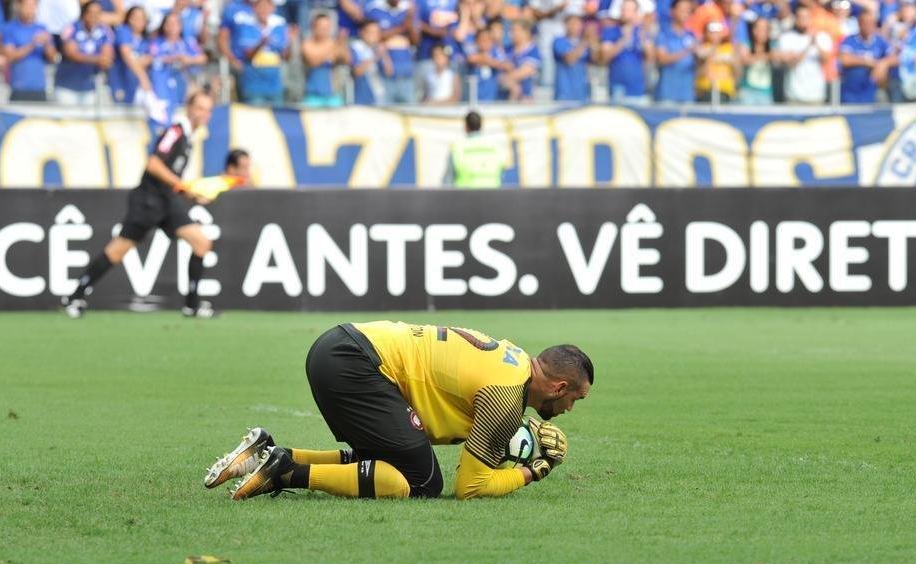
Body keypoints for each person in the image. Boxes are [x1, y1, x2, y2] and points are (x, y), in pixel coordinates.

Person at [205, 322, 591, 501]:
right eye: (575, 398)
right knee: (423, 483)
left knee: (390, 457)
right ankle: (287, 473)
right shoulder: (507, 396)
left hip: (344, 346)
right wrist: (528, 472)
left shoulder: (513, 360)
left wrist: (507, 442)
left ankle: (268, 453)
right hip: (356, 362)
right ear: (559, 387)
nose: (569, 408)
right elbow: (470, 488)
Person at [61, 91, 219, 320]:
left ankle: (192, 306)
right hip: (148, 200)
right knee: (117, 251)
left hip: (167, 200)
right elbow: (154, 164)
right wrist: (185, 187)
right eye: (200, 108)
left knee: (202, 243)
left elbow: (172, 178)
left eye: (208, 109)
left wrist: (194, 196)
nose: (204, 114)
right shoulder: (175, 131)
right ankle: (74, 296)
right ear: (189, 108)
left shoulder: (188, 137)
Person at [221, 0, 290, 104]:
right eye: (261, 7)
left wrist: (291, 42)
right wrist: (261, 44)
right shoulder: (245, 23)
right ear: (254, 8)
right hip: (253, 80)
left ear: (273, 8)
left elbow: (285, 56)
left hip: (274, 80)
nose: (264, 10)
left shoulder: (279, 24)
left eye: (267, 7)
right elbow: (247, 53)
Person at [53, 0, 114, 105]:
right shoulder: (71, 28)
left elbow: (107, 57)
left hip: (90, 86)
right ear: (84, 14)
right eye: (91, 13)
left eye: (97, 13)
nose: (94, 16)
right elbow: (71, 54)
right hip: (67, 85)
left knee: (88, 121)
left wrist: (99, 59)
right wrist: (97, 59)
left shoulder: (105, 31)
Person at [147, 10, 205, 110]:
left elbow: (202, 58)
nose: (172, 26)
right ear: (164, 26)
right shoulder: (157, 42)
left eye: (175, 23)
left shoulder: (187, 42)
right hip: (163, 83)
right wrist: (172, 59)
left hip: (184, 80)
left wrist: (189, 60)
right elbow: (151, 58)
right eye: (169, 23)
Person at [0, 0, 56, 102]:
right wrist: (33, 44)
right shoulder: (10, 28)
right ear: (19, 7)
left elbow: (53, 58)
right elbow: (10, 56)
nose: (30, 10)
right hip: (19, 87)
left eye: (33, 6)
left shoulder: (42, 28)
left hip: (39, 88)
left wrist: (47, 43)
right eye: (27, 6)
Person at [775, 4, 832, 103]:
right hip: (794, 95)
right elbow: (790, 64)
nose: (803, 20)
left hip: (816, 95)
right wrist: (808, 46)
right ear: (795, 18)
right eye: (800, 17)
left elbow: (826, 60)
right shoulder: (786, 38)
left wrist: (816, 44)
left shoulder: (822, 37)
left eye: (806, 17)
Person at [599, 0, 653, 102]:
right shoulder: (610, 31)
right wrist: (623, 40)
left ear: (636, 12)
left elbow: (650, 58)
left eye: (629, 10)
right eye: (623, 9)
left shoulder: (642, 32)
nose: (625, 13)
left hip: (637, 89)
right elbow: (604, 57)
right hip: (617, 87)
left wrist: (643, 36)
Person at [838, 6, 890, 103]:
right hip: (850, 96)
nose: (868, 26)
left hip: (871, 96)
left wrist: (884, 64)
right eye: (865, 23)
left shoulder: (880, 41)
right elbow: (844, 59)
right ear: (859, 23)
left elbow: (895, 57)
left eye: (871, 23)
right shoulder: (850, 40)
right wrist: (870, 62)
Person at [444, 110, 507, 187]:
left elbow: (448, 181)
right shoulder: (496, 147)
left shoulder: (458, 148)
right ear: (481, 126)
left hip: (465, 196)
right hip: (493, 195)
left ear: (466, 126)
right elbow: (502, 176)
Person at [301, 11, 348, 106]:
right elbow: (313, 61)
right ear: (313, 27)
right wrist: (333, 46)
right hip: (312, 94)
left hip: (332, 94)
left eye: (327, 27)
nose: (325, 30)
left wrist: (342, 43)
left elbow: (346, 60)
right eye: (321, 27)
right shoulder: (307, 43)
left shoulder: (334, 43)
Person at [654, 0, 697, 103]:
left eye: (688, 11)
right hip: (667, 94)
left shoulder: (691, 35)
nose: (685, 14)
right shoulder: (663, 34)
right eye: (682, 10)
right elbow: (661, 59)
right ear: (672, 11)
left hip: (687, 94)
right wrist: (686, 51)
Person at [109, 6, 151, 104]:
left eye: (142, 18)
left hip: (136, 84)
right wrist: (142, 77)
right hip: (121, 80)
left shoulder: (146, 39)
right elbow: (127, 56)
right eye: (134, 17)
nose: (138, 21)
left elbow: (149, 58)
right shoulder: (123, 31)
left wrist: (137, 62)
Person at [552, 13, 592, 102]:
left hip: (582, 92)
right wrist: (585, 42)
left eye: (578, 24)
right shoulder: (559, 41)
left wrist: (595, 42)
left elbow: (597, 62)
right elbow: (569, 59)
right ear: (565, 25)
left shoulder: (585, 43)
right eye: (572, 23)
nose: (575, 27)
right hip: (564, 92)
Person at [349, 18, 389, 103]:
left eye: (377, 32)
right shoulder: (356, 48)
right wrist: (374, 57)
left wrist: (384, 55)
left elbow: (389, 72)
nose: (375, 35)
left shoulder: (377, 48)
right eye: (371, 32)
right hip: (362, 95)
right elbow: (356, 72)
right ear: (362, 32)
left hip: (379, 94)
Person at [695, 19, 736, 102]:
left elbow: (736, 69)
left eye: (717, 32)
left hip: (725, 91)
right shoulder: (702, 48)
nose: (715, 35)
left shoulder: (728, 48)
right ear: (706, 33)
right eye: (712, 32)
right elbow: (699, 69)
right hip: (705, 91)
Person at [466, 25, 510, 100]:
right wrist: (491, 62)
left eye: (489, 40)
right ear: (476, 41)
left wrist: (490, 62)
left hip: (494, 98)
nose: (486, 43)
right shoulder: (473, 52)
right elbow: (471, 59)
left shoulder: (496, 53)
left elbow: (507, 66)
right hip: (475, 98)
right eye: (483, 40)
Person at [737, 14, 773, 104]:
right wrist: (764, 56)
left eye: (765, 29)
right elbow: (745, 60)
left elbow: (780, 57)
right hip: (748, 91)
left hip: (765, 91)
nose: (762, 32)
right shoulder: (746, 45)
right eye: (760, 29)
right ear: (754, 30)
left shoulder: (772, 46)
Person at [503, 20, 540, 99]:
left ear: (526, 32)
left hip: (525, 98)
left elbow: (525, 71)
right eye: (512, 30)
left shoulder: (533, 50)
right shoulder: (507, 49)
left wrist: (506, 79)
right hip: (505, 95)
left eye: (516, 30)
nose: (513, 33)